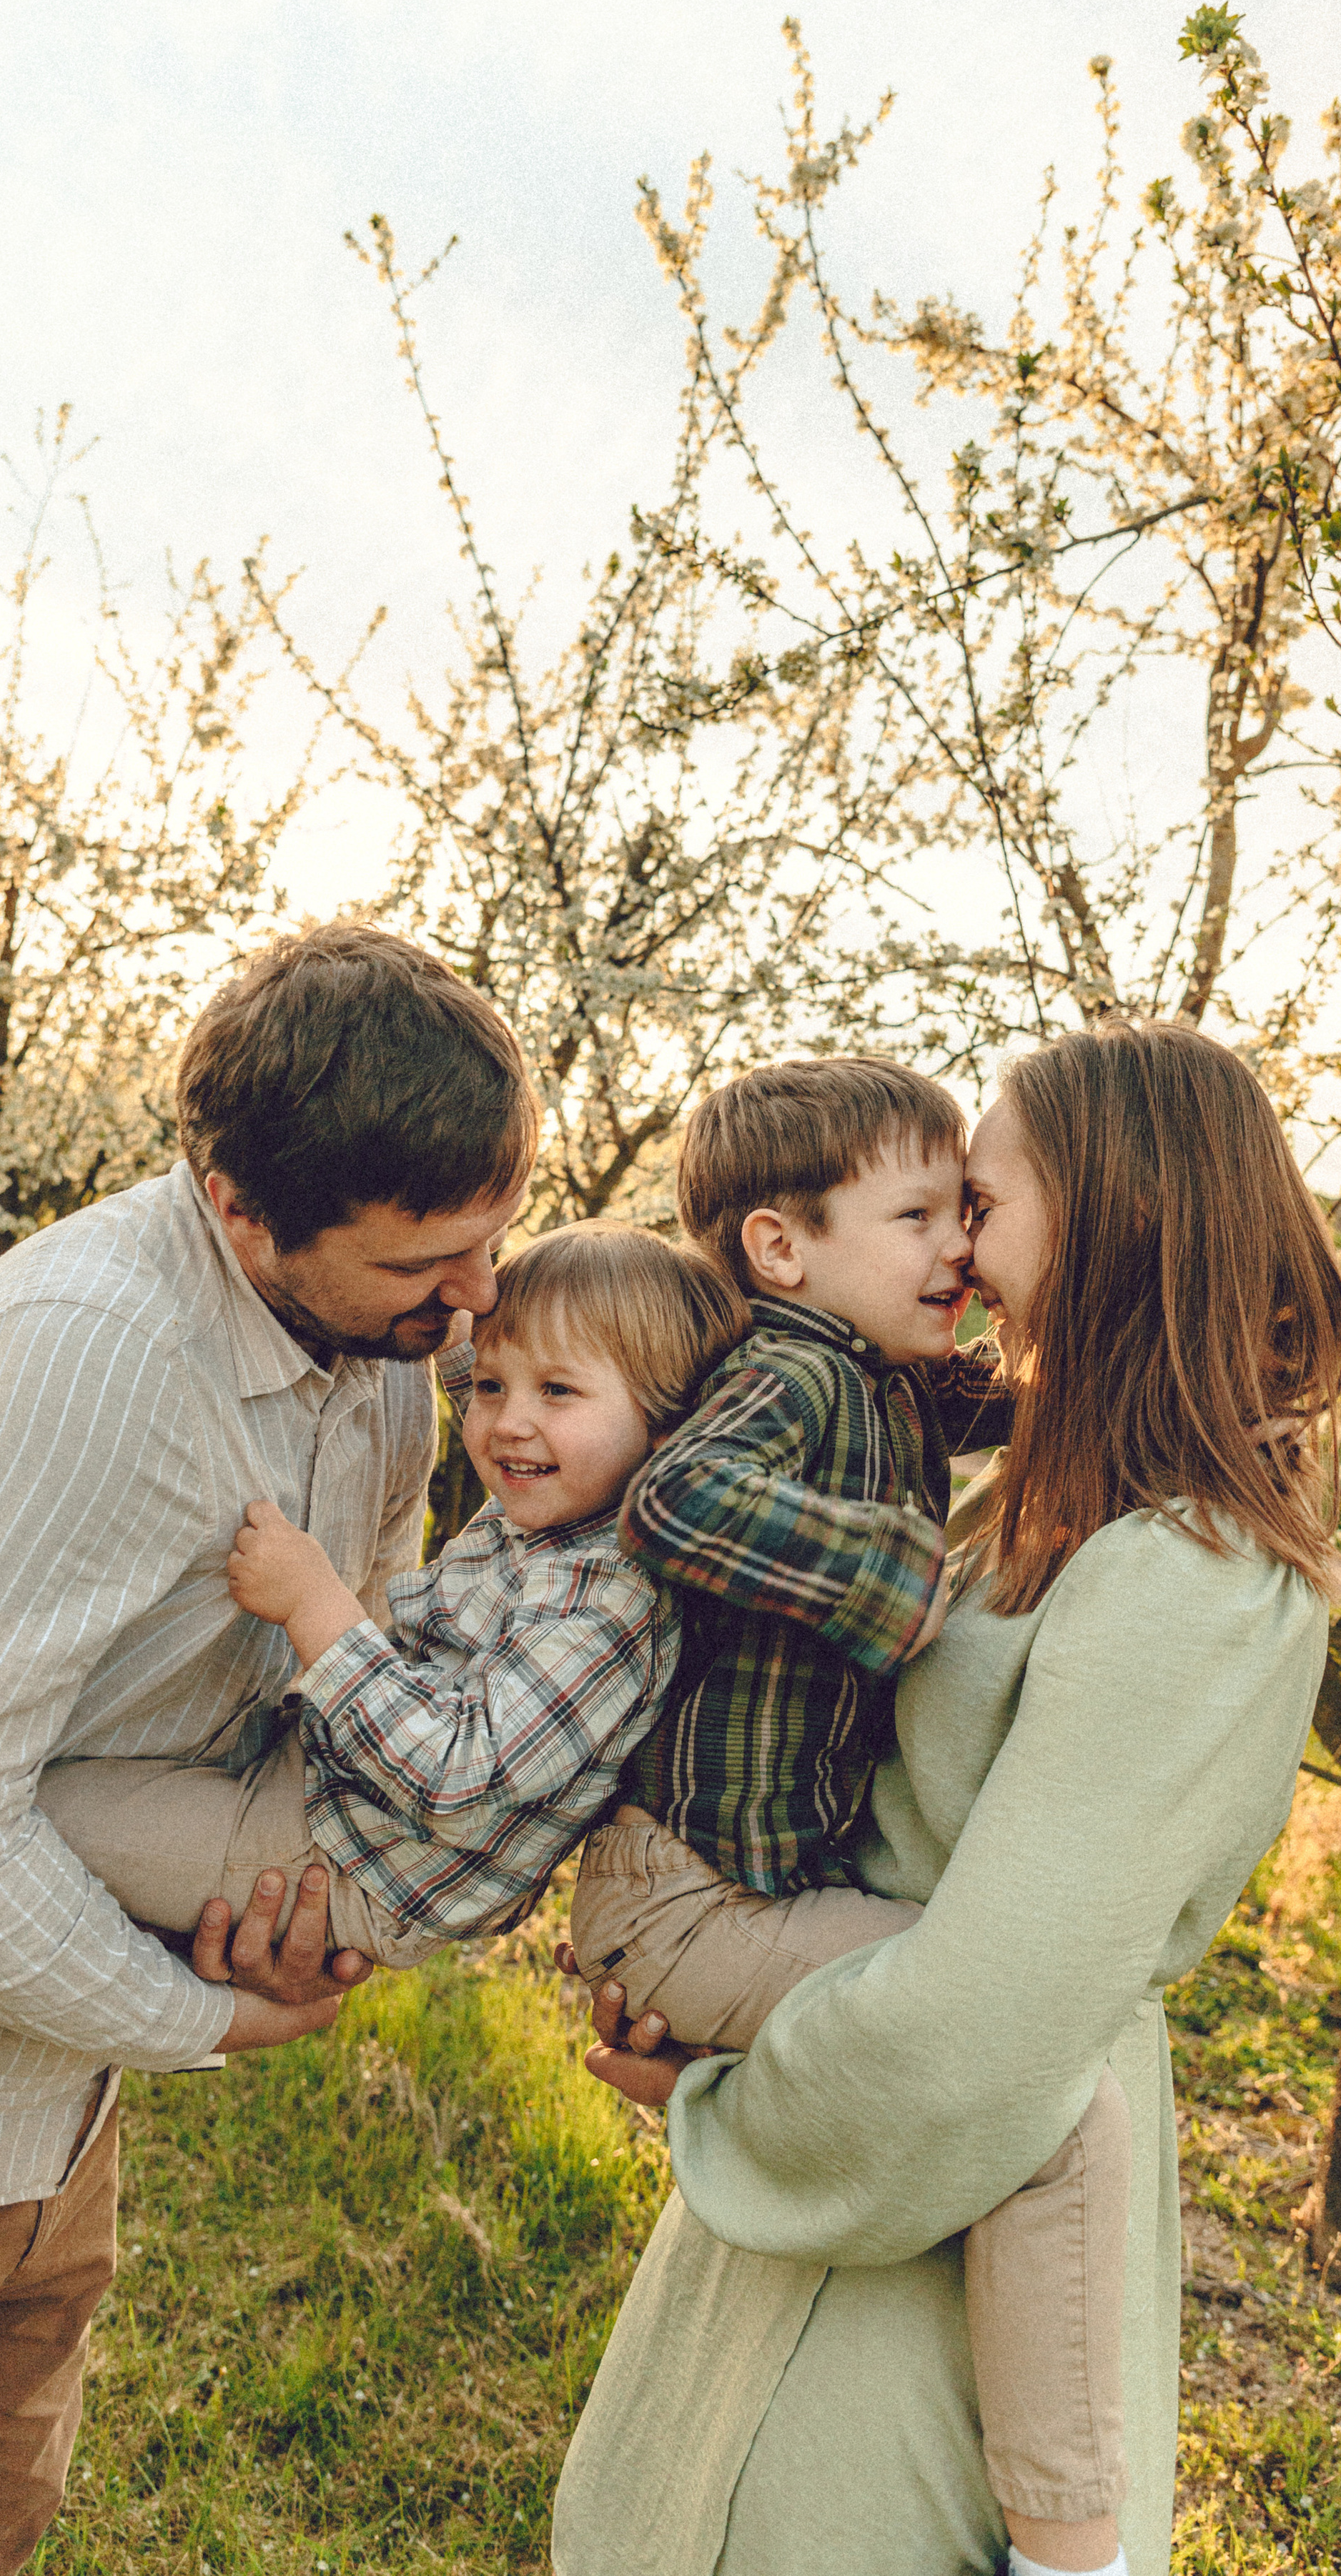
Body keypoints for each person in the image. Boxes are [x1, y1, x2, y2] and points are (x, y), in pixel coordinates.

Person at [0, 920, 535, 2576]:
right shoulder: (93, 1366)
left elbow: (328, 1667)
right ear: (239, 1205)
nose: (471, 1301)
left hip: (43, 2098)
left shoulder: (381, 1352)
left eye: (491, 1236)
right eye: (419, 1264)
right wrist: (206, 2013)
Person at [553, 1021, 1341, 2576]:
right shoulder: (1041, 1496)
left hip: (937, 2204)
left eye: (976, 1203)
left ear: (1114, 1212)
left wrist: (724, 2101)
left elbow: (986, 2021)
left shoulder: (1189, 1573)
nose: (955, 1246)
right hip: (841, 2129)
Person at [563, 1056, 1129, 2573]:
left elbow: (1041, 1389)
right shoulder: (793, 1369)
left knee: (987, 2044)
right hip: (690, 1900)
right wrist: (893, 1576)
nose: (956, 1248)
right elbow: (675, 1502)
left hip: (720, 1890)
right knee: (1024, 2074)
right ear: (777, 1247)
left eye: (969, 1212)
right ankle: (1071, 2544)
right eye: (918, 1214)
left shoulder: (877, 1370)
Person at [0, 1225, 748, 2112]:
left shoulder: (606, 1601)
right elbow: (491, 1360)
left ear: (667, 1424)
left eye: (556, 1391)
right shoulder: (574, 1507)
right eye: (494, 1388)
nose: (508, 1422)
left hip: (339, 1856)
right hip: (335, 1805)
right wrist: (459, 1312)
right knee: (48, 1833)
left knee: (23, 1829)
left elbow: (465, 1777)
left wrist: (319, 1608)